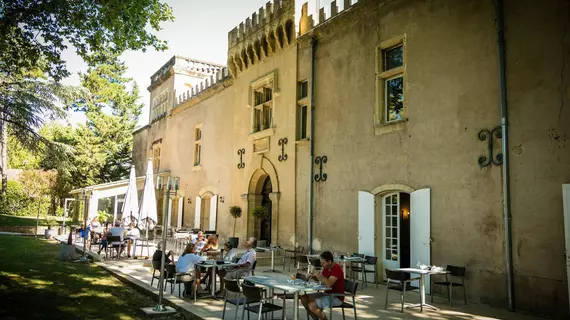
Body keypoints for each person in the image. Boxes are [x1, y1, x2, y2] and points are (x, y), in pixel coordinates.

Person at [301, 251, 345, 320]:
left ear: (330, 261)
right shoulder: (326, 268)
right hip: (326, 293)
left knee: (312, 305)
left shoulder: (337, 269)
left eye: (323, 262)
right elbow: (319, 279)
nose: (321, 264)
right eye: (321, 262)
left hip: (336, 297)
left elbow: (329, 283)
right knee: (304, 298)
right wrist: (312, 276)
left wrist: (321, 277)